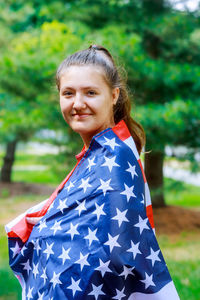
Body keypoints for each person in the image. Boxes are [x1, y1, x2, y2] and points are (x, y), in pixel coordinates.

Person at [5, 45, 180, 299]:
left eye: (90, 92)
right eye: (68, 93)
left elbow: (108, 259)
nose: (77, 103)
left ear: (114, 96)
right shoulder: (96, 156)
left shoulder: (115, 159)